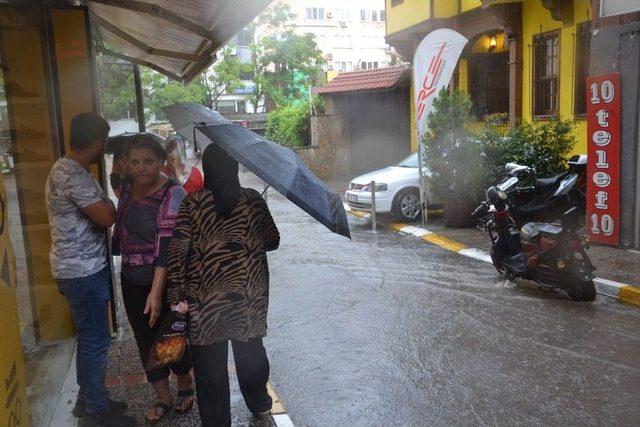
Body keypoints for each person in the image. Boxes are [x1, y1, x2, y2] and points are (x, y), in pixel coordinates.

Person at [167, 143, 280, 427]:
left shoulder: (192, 204)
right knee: (251, 355)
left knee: (210, 371)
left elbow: (177, 252)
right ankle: (259, 403)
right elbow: (273, 241)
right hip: (248, 299)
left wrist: (176, 296)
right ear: (234, 169)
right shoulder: (253, 200)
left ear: (207, 169)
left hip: (207, 304)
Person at [45, 113, 136, 427]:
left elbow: (105, 209)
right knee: (97, 341)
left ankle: (89, 400)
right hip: (81, 272)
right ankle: (97, 413)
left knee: (89, 339)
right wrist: (107, 205)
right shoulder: (70, 173)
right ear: (98, 143)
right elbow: (107, 216)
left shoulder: (77, 171)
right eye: (104, 144)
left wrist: (106, 205)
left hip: (83, 268)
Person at [112, 134, 195, 423]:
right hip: (131, 278)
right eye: (134, 162)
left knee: (170, 336)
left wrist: (157, 294)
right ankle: (163, 396)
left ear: (161, 161)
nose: (141, 168)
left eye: (148, 161)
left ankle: (185, 383)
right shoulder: (125, 186)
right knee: (145, 340)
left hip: (167, 281)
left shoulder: (173, 192)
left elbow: (166, 247)